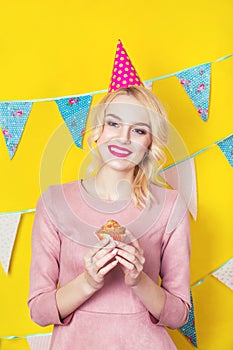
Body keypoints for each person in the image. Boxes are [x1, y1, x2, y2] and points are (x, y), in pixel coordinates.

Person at [28, 42, 191, 350]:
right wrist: (88, 281)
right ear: (98, 131)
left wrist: (138, 279)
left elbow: (179, 314)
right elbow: (39, 310)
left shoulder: (169, 207)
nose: (123, 138)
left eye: (139, 130)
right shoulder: (54, 203)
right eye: (114, 124)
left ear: (149, 143)